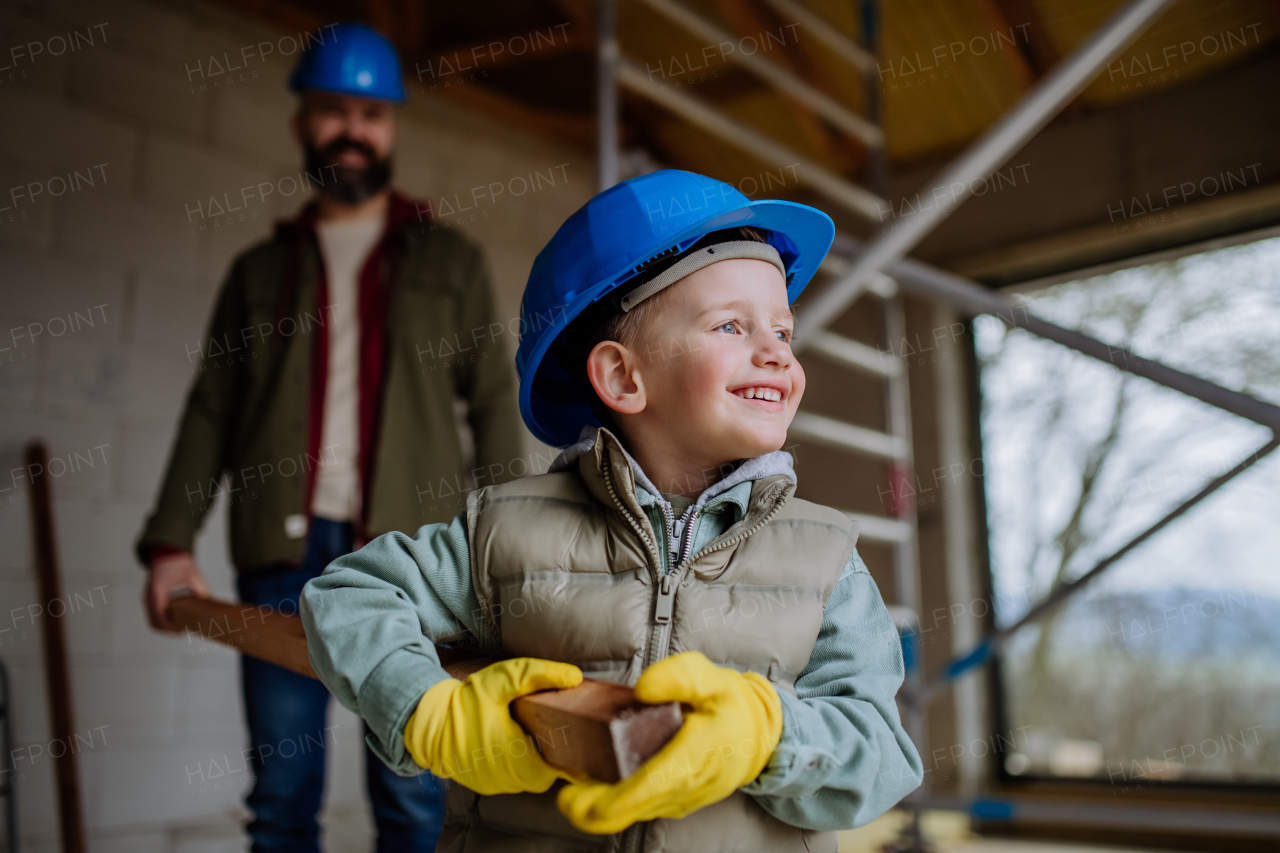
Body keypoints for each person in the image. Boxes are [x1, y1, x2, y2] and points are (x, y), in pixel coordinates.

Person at [301, 169, 923, 852]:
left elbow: (881, 755)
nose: (776, 352)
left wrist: (765, 733)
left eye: (783, 328)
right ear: (623, 376)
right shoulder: (503, 530)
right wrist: (423, 705)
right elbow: (349, 594)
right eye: (732, 325)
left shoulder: (824, 555)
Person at [135, 23, 524, 853]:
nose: (352, 129)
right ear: (302, 124)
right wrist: (169, 542)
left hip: (412, 560)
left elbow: (492, 403)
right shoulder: (258, 273)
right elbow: (211, 411)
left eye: (370, 113)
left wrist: (504, 553)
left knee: (416, 796)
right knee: (281, 796)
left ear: (391, 128)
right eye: (332, 110)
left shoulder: (450, 260)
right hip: (282, 552)